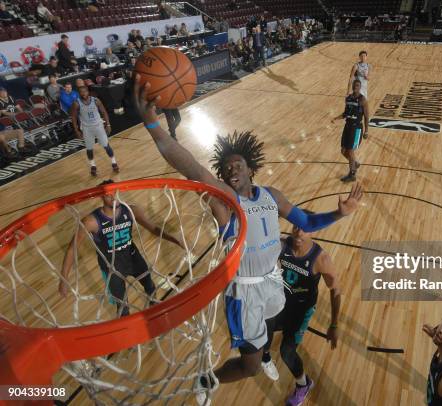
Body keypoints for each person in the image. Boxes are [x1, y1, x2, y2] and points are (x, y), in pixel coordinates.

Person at [132, 75, 363, 406]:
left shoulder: (272, 195)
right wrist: (154, 127)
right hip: (244, 291)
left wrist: (339, 214)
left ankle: (264, 351)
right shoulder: (226, 201)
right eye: (226, 169)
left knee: (272, 326)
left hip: (272, 280)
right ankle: (208, 378)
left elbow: (309, 221)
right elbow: (193, 168)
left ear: (251, 168)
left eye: (236, 165)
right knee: (250, 367)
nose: (230, 171)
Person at [59, 179, 185, 316]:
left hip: (132, 257)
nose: (113, 197)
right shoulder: (91, 222)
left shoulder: (131, 210)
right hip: (112, 268)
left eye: (115, 192)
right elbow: (72, 249)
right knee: (122, 307)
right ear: (101, 197)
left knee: (150, 286)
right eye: (108, 195)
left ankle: (155, 309)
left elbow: (153, 228)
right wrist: (63, 278)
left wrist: (174, 238)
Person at [260, 213, 342, 404]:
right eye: (296, 226)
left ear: (313, 230)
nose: (298, 232)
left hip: (301, 311)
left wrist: (334, 324)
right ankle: (264, 357)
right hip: (282, 301)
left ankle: (303, 384)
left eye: (305, 228)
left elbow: (336, 289)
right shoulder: (283, 245)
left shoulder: (320, 258)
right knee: (263, 324)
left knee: (287, 352)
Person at [71, 86, 119, 176]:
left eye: (85, 91)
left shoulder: (96, 100)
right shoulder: (76, 103)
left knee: (106, 145)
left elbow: (104, 112)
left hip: (98, 126)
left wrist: (108, 124)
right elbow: (73, 117)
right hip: (86, 128)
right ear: (79, 93)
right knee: (89, 149)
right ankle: (93, 165)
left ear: (88, 92)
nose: (83, 93)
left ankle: (114, 162)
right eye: (81, 92)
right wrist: (76, 130)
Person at [331, 79, 369, 182]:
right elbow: (345, 113)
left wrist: (366, 131)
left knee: (350, 151)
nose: (355, 87)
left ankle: (352, 174)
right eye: (354, 85)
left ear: (360, 87)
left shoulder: (363, 100)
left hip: (357, 128)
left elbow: (366, 116)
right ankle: (355, 164)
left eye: (357, 85)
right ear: (352, 86)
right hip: (347, 126)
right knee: (343, 151)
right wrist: (336, 118)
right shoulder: (348, 98)